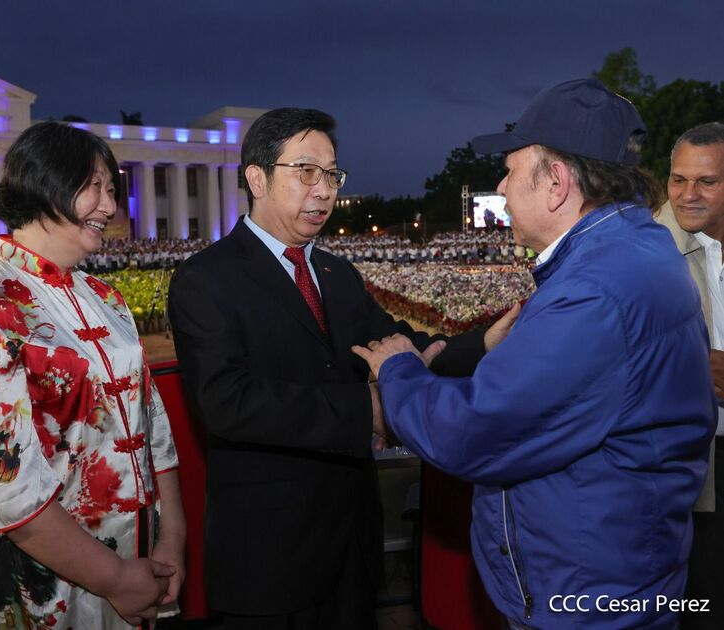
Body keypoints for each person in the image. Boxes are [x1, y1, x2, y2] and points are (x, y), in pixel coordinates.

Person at [352, 78, 716, 629]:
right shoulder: (638, 248)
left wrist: (398, 369)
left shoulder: (594, 289)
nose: (500, 186)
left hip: (585, 596)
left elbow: (473, 432)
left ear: (556, 183)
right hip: (620, 568)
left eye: (510, 170)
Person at [168, 107, 517, 629]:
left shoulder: (336, 273)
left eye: (332, 175)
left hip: (352, 548)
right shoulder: (207, 278)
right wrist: (368, 409)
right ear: (257, 179)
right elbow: (227, 403)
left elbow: (404, 346)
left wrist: (485, 344)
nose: (324, 190)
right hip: (270, 558)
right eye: (306, 171)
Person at [0, 121, 186, 629]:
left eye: (112, 189)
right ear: (44, 183)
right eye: (94, 187)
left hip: (140, 562)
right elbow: (3, 490)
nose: (110, 207)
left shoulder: (105, 298)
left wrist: (172, 536)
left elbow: (153, 425)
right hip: (48, 588)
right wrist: (114, 577)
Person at [657, 122, 724, 629]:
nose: (687, 194)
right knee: (703, 601)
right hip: (694, 466)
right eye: (678, 179)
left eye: (706, 181)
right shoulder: (653, 247)